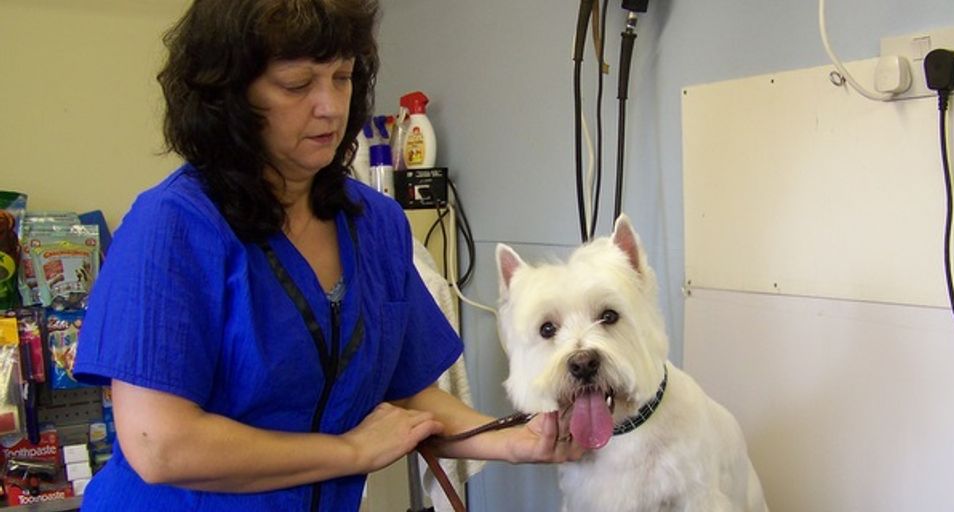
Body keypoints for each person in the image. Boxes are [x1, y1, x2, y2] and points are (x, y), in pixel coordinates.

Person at [73, 0, 582, 510]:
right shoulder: (172, 226)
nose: (331, 106)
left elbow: (411, 396)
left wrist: (510, 440)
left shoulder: (376, 225)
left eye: (343, 77)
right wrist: (349, 451)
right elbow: (159, 445)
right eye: (298, 84)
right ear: (230, 94)